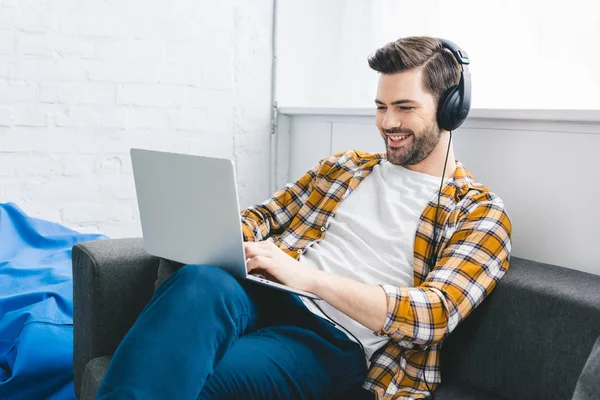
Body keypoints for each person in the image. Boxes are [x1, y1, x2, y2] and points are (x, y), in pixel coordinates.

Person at [96, 36, 512, 400]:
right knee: (197, 281)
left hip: (329, 339)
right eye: (381, 106)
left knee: (191, 378)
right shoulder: (346, 167)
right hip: (263, 291)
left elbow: (433, 314)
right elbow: (264, 215)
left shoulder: (478, 213)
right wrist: (228, 238)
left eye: (405, 107)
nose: (388, 123)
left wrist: (307, 279)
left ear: (451, 109)